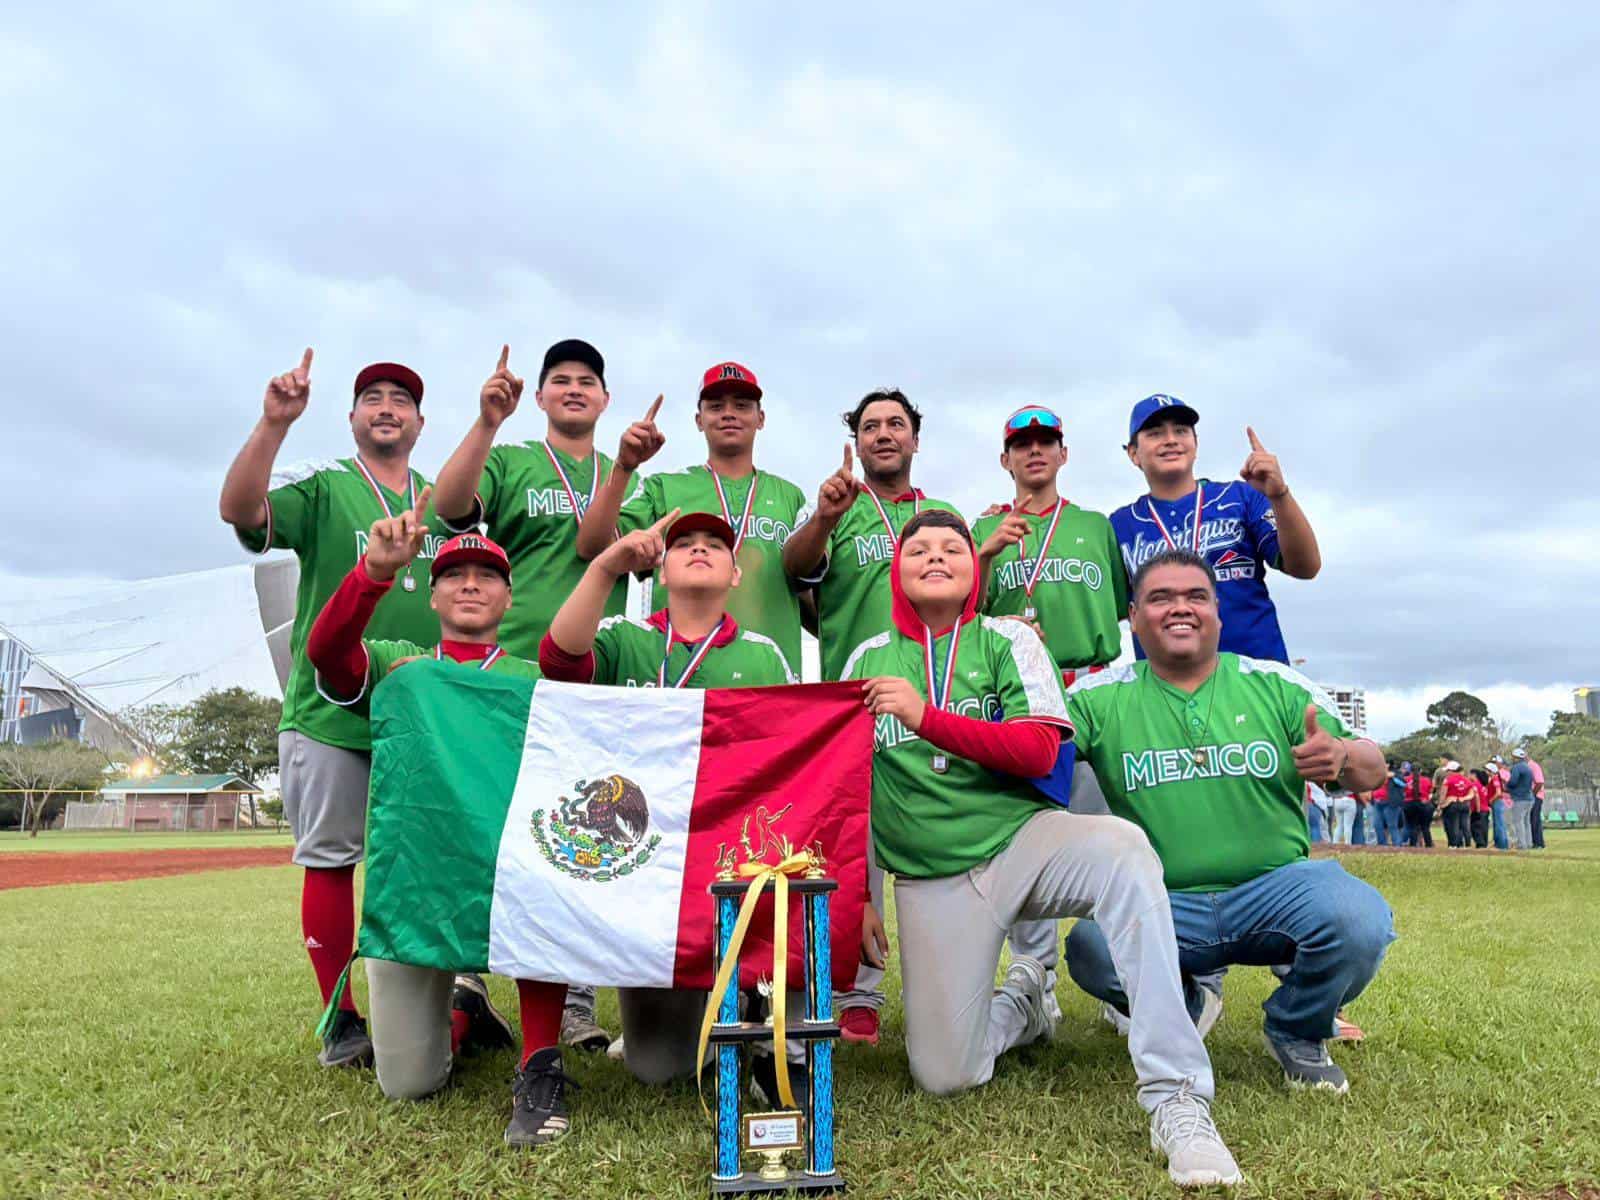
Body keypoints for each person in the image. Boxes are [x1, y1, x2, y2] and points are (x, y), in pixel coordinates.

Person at [841, 511, 1241, 1188]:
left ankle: (1177, 1097)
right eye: (918, 548)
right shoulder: (865, 660)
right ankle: (1024, 1002)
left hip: (1024, 842)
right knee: (945, 1076)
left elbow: (1037, 749)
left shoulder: (1005, 641)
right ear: (896, 570)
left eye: (952, 548)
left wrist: (925, 717)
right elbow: (852, 790)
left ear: (974, 570)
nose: (935, 556)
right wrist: (858, 893)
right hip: (933, 876)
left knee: (1125, 851)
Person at [1064, 549, 1393, 1097]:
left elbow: (1370, 769)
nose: (1180, 609)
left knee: (1357, 918)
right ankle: (1188, 1000)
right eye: (1160, 598)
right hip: (1165, 899)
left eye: (1197, 597)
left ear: (1218, 612)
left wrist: (1341, 753)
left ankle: (1296, 1026)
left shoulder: (1275, 684)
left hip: (1274, 891)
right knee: (1092, 948)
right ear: (1134, 617)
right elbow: (1029, 750)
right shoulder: (1100, 696)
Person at [305, 505, 575, 1147]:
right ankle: (464, 1009)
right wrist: (371, 574)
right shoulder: (401, 664)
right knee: (408, 1083)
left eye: (487, 574)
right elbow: (327, 653)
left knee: (543, 895)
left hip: (508, 878)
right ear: (432, 596)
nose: (472, 584)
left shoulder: (532, 679)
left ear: (510, 597)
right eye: (455, 575)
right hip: (417, 888)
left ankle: (540, 1063)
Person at [220, 350, 444, 1070]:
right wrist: (274, 422)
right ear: (351, 418)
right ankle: (339, 1017)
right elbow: (240, 511)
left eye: (400, 399)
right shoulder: (324, 488)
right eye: (372, 397)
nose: (386, 406)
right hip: (330, 713)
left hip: (420, 719)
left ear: (419, 421)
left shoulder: (443, 499)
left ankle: (434, 1011)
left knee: (420, 865)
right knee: (330, 861)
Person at [540, 510, 803, 1108]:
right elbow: (558, 660)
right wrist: (608, 563)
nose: (700, 550)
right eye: (684, 544)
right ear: (659, 570)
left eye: (716, 544)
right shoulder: (625, 637)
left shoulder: (763, 656)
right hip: (643, 862)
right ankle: (695, 1023)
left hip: (726, 859)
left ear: (737, 574)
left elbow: (790, 757)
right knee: (658, 1068)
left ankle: (754, 1012)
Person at [430, 339, 635, 1054]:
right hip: (510, 670)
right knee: (488, 820)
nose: (574, 389)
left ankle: (572, 1002)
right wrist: (487, 421)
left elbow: (595, 546)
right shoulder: (514, 459)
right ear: (541, 396)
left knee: (573, 832)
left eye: (588, 381)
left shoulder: (625, 475)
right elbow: (450, 507)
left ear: (605, 401)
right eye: (561, 381)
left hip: (588, 671)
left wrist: (630, 471)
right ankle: (468, 978)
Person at [781, 388, 957, 1046]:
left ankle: (944, 978)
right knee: (857, 839)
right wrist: (825, 519)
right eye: (871, 426)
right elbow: (793, 570)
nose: (884, 434)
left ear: (916, 438)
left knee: (934, 829)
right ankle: (858, 990)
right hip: (853, 696)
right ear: (855, 440)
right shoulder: (838, 506)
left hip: (930, 696)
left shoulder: (942, 516)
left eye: (897, 425)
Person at [970, 404, 1129, 1018]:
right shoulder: (983, 527)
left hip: (1087, 683)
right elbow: (963, 611)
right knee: (1022, 834)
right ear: (1005, 458)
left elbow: (1118, 608)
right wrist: (984, 554)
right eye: (1021, 443)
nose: (1034, 451)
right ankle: (1034, 979)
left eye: (1046, 441)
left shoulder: (1095, 526)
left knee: (1111, 833)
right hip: (1019, 696)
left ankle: (1121, 980)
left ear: (1064, 454)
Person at [574, 361, 809, 673]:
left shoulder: (790, 497)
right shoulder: (665, 488)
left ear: (760, 418)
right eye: (715, 406)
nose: (729, 413)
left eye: (742, 405)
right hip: (676, 678)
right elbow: (592, 546)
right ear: (699, 420)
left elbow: (811, 600)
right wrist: (624, 466)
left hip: (767, 677)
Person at [1110, 395, 1321, 665]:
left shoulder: (1240, 497)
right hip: (1168, 689)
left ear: (1195, 444)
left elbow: (1306, 567)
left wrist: (1280, 495)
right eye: (1155, 433)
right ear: (1133, 453)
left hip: (1255, 677)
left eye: (1181, 431)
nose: (1171, 439)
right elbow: (1108, 610)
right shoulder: (1120, 525)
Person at [1437, 762, 1474, 848]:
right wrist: (1463, 798)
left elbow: (1443, 794)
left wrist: (1440, 805)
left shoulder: (1448, 780)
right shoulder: (1466, 780)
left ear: (1452, 770)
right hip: (1464, 805)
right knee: (1465, 825)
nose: (1447, 773)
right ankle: (1467, 844)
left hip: (1452, 804)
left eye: (1448, 771)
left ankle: (1454, 844)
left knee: (1454, 825)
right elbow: (1472, 794)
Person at [1506, 749, 1537, 849]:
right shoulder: (1528, 767)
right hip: (1530, 798)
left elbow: (1513, 781)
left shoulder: (1516, 767)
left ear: (1515, 757)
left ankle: (1521, 845)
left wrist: (1507, 785)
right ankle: (1529, 843)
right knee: (1526, 822)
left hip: (1520, 798)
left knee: (1518, 822)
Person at [1373, 763, 1407, 846]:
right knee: (1377, 825)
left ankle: (1397, 844)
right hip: (1377, 802)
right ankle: (1382, 844)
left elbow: (1404, 784)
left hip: (1390, 803)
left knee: (1392, 825)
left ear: (1388, 765)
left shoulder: (1396, 773)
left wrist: (1394, 776)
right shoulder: (1377, 773)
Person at [1487, 756, 1511, 850]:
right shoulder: (1494, 776)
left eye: (1495, 762)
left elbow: (1500, 791)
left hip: (1503, 801)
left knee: (1501, 823)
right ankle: (1498, 842)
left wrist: (1491, 800)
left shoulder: (1500, 775)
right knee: (1497, 823)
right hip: (1499, 801)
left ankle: (1503, 844)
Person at [1468, 768, 1495, 849]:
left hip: (1479, 809)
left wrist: (1477, 809)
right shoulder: (1482, 785)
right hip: (1485, 809)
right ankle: (1484, 843)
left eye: (1470, 774)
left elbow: (1477, 797)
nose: (1468, 776)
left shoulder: (1475, 785)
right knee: (1484, 828)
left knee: (1475, 828)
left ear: (1474, 775)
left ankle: (1480, 843)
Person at [1527, 752, 1548, 848]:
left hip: (1536, 796)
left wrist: (1532, 795)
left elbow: (1539, 782)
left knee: (1534, 819)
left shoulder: (1533, 766)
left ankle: (1538, 843)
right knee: (1532, 819)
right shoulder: (1527, 766)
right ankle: (1535, 842)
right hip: (1531, 796)